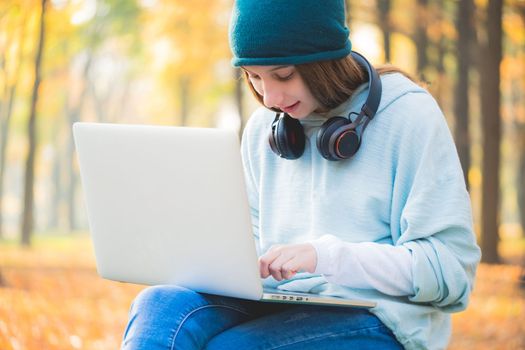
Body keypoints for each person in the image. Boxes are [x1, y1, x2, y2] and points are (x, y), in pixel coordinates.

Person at [121, 1, 481, 349]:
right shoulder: (267, 126)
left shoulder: (409, 116)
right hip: (280, 301)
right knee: (159, 307)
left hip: (382, 318)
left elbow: (449, 270)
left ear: (324, 60)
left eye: (283, 75)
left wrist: (327, 257)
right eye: (254, 77)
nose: (271, 97)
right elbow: (252, 241)